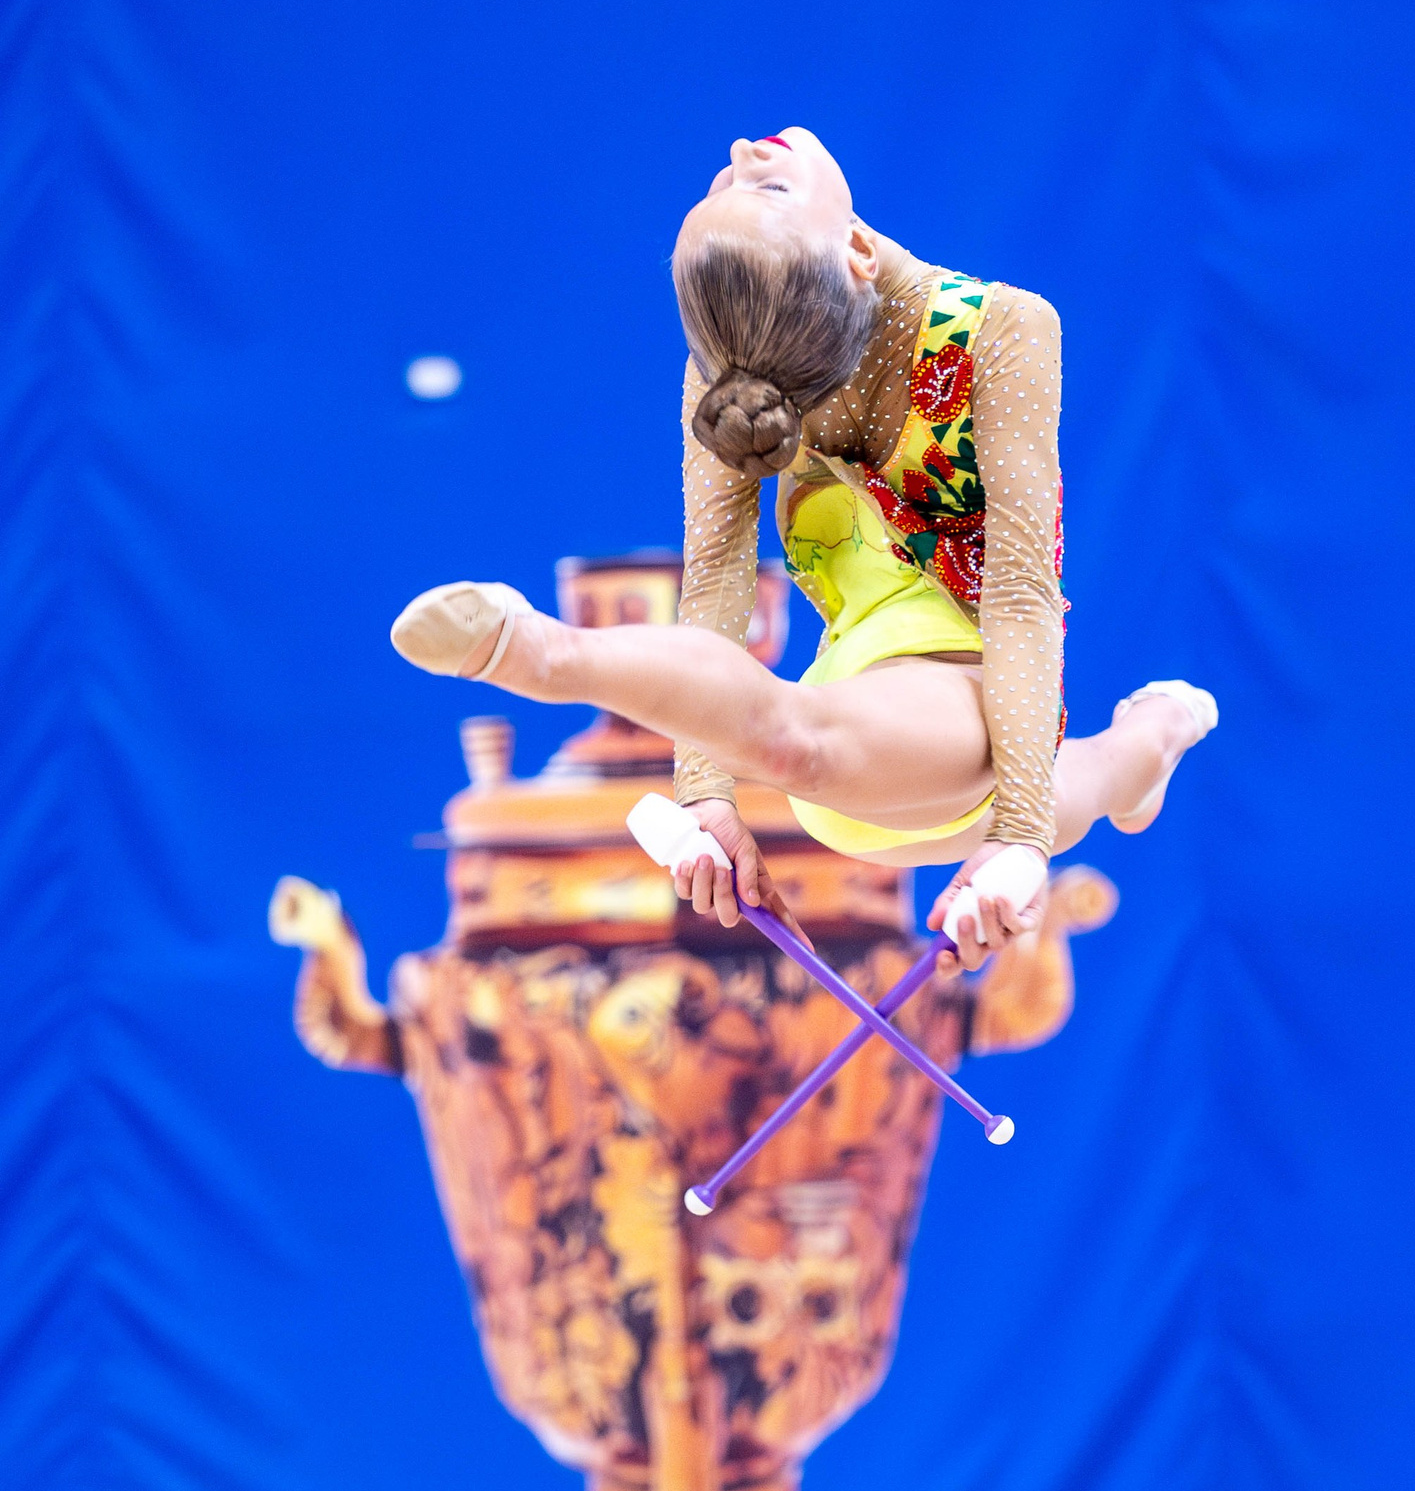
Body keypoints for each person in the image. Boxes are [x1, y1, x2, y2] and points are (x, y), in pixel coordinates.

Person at [391, 127, 1215, 967]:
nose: (742, 152)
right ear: (854, 249)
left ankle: (543, 654)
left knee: (819, 743)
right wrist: (705, 794)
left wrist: (1021, 836)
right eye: (747, 188)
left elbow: (1020, 591)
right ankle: (1142, 747)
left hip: (976, 697)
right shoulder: (732, 373)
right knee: (824, 742)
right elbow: (716, 581)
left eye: (743, 188)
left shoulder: (1001, 329)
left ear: (858, 249)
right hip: (853, 715)